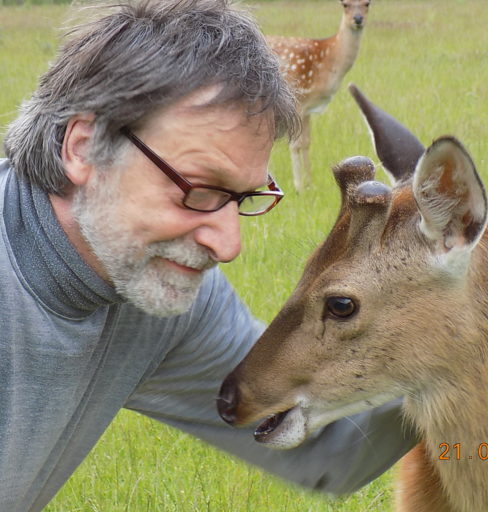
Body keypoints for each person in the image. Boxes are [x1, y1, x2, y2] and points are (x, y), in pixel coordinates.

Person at [0, 0, 416, 510]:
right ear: (83, 147)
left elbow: (329, 448)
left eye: (244, 198)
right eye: (197, 189)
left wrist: (478, 317)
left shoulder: (160, 293)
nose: (228, 245)